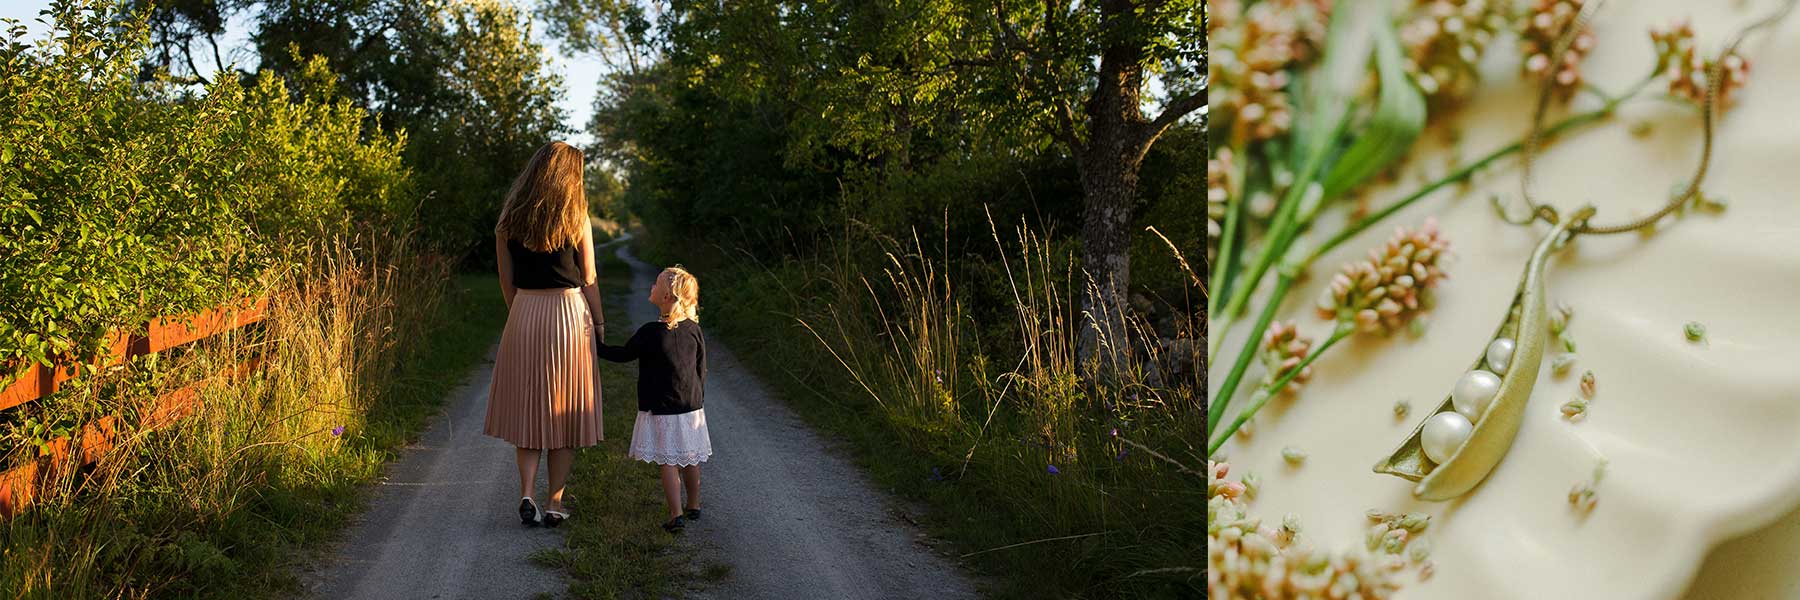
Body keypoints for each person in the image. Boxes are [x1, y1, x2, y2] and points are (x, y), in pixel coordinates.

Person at [483, 141, 604, 528]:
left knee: (529, 409)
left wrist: (519, 312)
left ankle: (526, 493)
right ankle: (554, 502)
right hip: (568, 314)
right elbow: (588, 278)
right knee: (564, 410)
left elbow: (506, 279)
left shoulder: (508, 220)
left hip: (525, 311)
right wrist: (599, 323)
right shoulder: (576, 217)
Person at [596, 266, 711, 532]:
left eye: (656, 283)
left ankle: (675, 515)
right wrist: (698, 398)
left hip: (662, 407)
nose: (651, 285)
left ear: (667, 296)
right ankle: (694, 505)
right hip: (691, 406)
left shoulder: (650, 332)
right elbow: (701, 367)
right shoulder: (694, 329)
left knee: (668, 461)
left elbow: (623, 354)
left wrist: (595, 345)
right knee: (690, 457)